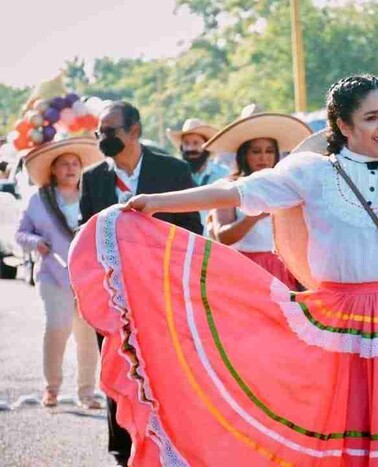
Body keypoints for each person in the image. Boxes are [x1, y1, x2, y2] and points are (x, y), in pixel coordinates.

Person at [69, 75, 378, 465]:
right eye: (372, 117)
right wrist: (157, 203)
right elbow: (236, 192)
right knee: (343, 435)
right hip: (342, 325)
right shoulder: (313, 172)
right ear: (342, 124)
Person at [79, 101, 202, 466]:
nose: (103, 138)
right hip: (114, 295)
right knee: (118, 367)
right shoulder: (93, 178)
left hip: (162, 291)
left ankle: (173, 441)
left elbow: (192, 229)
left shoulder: (172, 170)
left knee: (167, 368)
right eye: (99, 131)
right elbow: (86, 236)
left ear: (134, 131)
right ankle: (123, 449)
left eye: (110, 131)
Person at [16, 137, 103, 409]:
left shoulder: (91, 196)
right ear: (53, 169)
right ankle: (51, 387)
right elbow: (21, 233)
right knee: (57, 326)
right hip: (53, 273)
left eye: (75, 164)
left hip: (88, 276)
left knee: (87, 334)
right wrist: (35, 243)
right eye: (64, 164)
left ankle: (87, 392)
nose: (70, 168)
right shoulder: (38, 199)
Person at [206, 112, 312, 290]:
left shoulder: (287, 186)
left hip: (286, 268)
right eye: (256, 151)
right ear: (244, 154)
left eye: (269, 151)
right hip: (242, 268)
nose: (264, 157)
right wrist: (254, 216)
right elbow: (223, 236)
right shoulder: (227, 186)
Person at [166, 118, 229, 226]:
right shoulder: (174, 175)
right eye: (186, 143)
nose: (191, 148)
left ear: (206, 147)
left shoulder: (223, 175)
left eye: (196, 143)